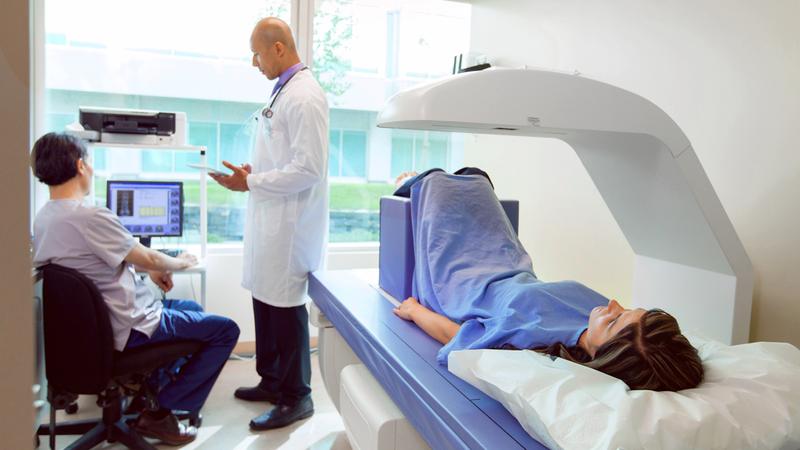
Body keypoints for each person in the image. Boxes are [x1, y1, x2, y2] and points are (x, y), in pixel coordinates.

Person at [392, 170, 703, 392]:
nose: (612, 304)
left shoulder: (535, 348)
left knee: (435, 181)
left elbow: (460, 338)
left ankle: (411, 182)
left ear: (603, 357)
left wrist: (415, 311)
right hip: (508, 263)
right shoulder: (601, 320)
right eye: (627, 309)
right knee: (475, 176)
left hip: (465, 282)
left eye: (614, 320)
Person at [31, 133, 240, 445]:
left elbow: (106, 259)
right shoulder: (90, 215)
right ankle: (160, 412)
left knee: (192, 310)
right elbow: (149, 256)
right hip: (130, 325)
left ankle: (149, 397)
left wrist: (153, 267)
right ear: (80, 165)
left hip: (93, 332)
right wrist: (178, 262)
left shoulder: (46, 217)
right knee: (226, 331)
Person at [209, 17, 328, 430]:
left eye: (257, 53)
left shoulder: (306, 97)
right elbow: (283, 158)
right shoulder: (283, 92)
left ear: (279, 49)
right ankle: (272, 381)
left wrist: (253, 181)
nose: (254, 62)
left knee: (285, 307)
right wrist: (252, 172)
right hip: (271, 218)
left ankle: (297, 396)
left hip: (290, 227)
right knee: (265, 300)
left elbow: (309, 168)